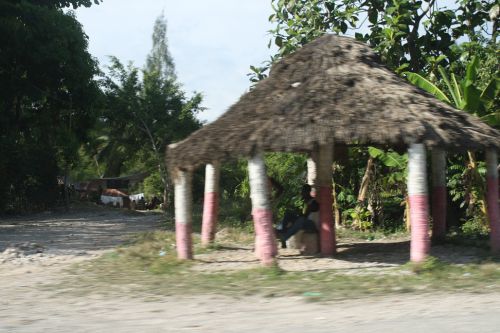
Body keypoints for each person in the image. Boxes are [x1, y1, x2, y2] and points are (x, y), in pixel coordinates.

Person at [276, 184, 319, 248]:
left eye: (303, 191)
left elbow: (304, 216)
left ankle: (284, 237)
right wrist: (295, 211)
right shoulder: (306, 202)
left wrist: (298, 212)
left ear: (307, 192)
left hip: (313, 225)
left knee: (301, 220)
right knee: (288, 213)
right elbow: (303, 215)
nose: (301, 193)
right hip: (305, 222)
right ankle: (284, 231)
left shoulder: (313, 202)